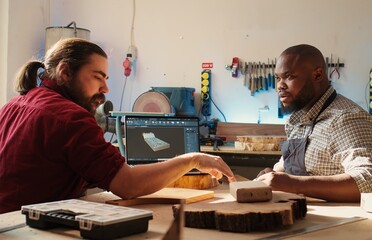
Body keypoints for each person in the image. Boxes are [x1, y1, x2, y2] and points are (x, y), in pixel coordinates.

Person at [0, 38, 235, 214]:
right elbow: (128, 185)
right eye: (97, 77)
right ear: (65, 71)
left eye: (106, 79)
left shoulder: (11, 105)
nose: (105, 88)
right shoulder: (71, 118)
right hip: (26, 229)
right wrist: (192, 159)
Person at [256, 44, 372, 202]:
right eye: (278, 78)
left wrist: (293, 185)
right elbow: (292, 165)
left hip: (338, 223)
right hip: (303, 215)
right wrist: (275, 173)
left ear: (317, 75)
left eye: (289, 77)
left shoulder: (346, 119)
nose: (280, 86)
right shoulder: (297, 119)